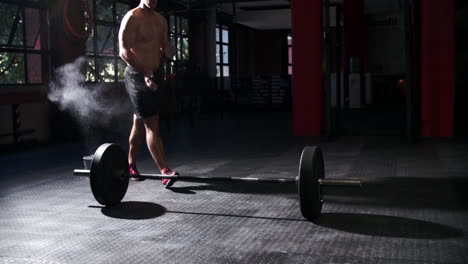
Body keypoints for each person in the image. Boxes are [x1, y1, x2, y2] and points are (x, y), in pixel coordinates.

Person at [118, 0, 177, 187]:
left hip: (155, 75)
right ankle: (165, 171)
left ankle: (130, 165)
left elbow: (164, 47)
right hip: (137, 75)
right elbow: (123, 52)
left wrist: (169, 50)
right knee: (152, 122)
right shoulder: (132, 18)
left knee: (139, 121)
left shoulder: (161, 21)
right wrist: (144, 72)